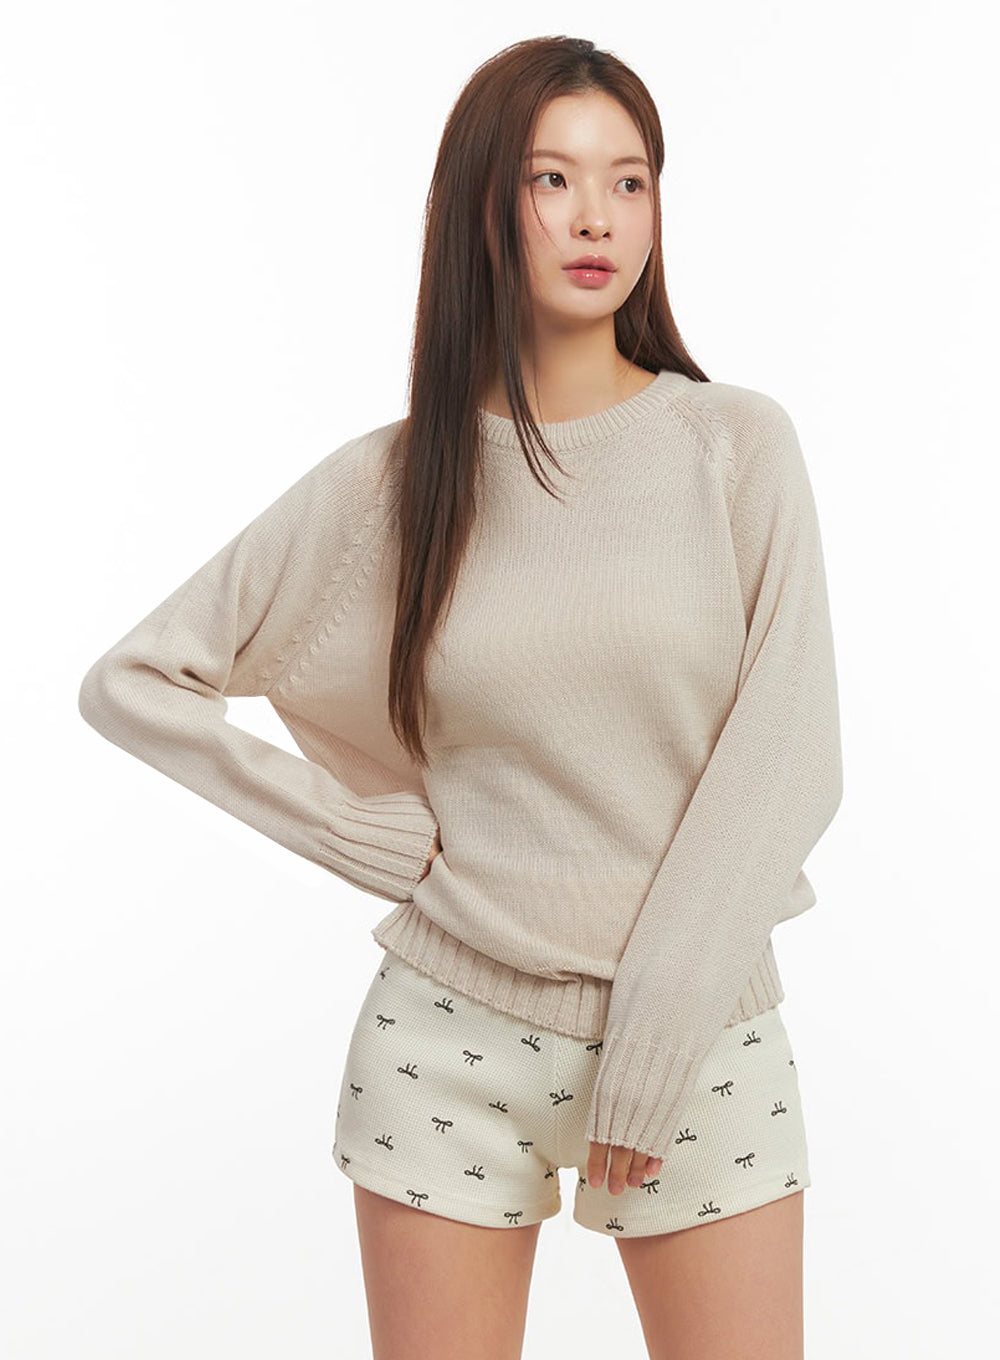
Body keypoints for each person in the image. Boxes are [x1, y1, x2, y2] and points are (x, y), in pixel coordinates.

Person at [78, 34, 842, 1360]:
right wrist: (345, 827)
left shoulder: (733, 447)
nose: (597, 217)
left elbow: (792, 757)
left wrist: (656, 1031)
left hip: (700, 1031)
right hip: (449, 1037)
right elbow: (136, 680)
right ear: (483, 204)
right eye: (553, 179)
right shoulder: (393, 484)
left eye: (630, 181)